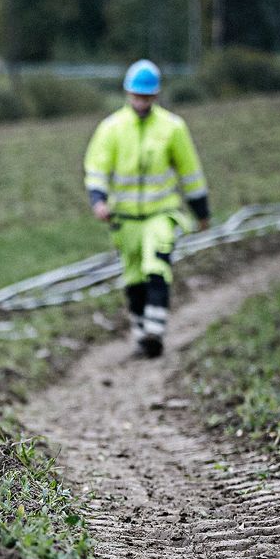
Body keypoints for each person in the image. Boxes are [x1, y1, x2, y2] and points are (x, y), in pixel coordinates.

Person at [83, 59, 211, 358]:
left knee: (157, 268)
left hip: (161, 213)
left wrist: (201, 211)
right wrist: (98, 201)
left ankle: (155, 330)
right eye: (136, 96)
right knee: (134, 278)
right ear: (128, 94)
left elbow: (190, 173)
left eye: (146, 96)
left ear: (155, 96)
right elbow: (96, 168)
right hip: (124, 218)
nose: (141, 102)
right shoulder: (111, 128)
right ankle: (141, 332)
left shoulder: (173, 128)